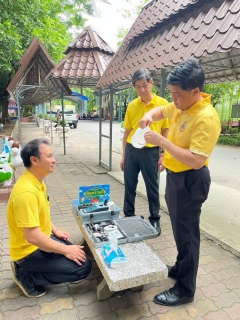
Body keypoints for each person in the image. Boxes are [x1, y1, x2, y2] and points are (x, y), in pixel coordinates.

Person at [139, 59, 221, 306]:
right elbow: (159, 111)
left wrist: (161, 142)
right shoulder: (181, 106)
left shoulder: (205, 117)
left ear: (195, 91)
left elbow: (196, 160)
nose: (173, 99)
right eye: (171, 94)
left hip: (190, 180)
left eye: (177, 95)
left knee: (187, 234)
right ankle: (180, 266)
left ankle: (185, 290)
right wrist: (147, 116)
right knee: (179, 229)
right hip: (176, 178)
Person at [7, 138, 92, 298]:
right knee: (83, 267)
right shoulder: (26, 193)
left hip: (38, 240)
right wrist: (65, 249)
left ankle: (24, 268)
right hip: (28, 251)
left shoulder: (36, 181)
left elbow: (40, 214)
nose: (54, 160)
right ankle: (27, 276)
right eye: (49, 156)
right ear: (34, 160)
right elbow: (32, 237)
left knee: (75, 251)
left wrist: (56, 230)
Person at [120, 68, 170, 235]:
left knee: (152, 187)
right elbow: (127, 132)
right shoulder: (132, 106)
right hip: (132, 151)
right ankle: (128, 216)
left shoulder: (162, 104)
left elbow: (166, 131)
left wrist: (163, 154)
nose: (142, 90)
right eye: (137, 86)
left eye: (144, 85)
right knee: (129, 185)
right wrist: (124, 155)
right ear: (134, 87)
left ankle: (154, 219)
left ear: (151, 83)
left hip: (152, 152)